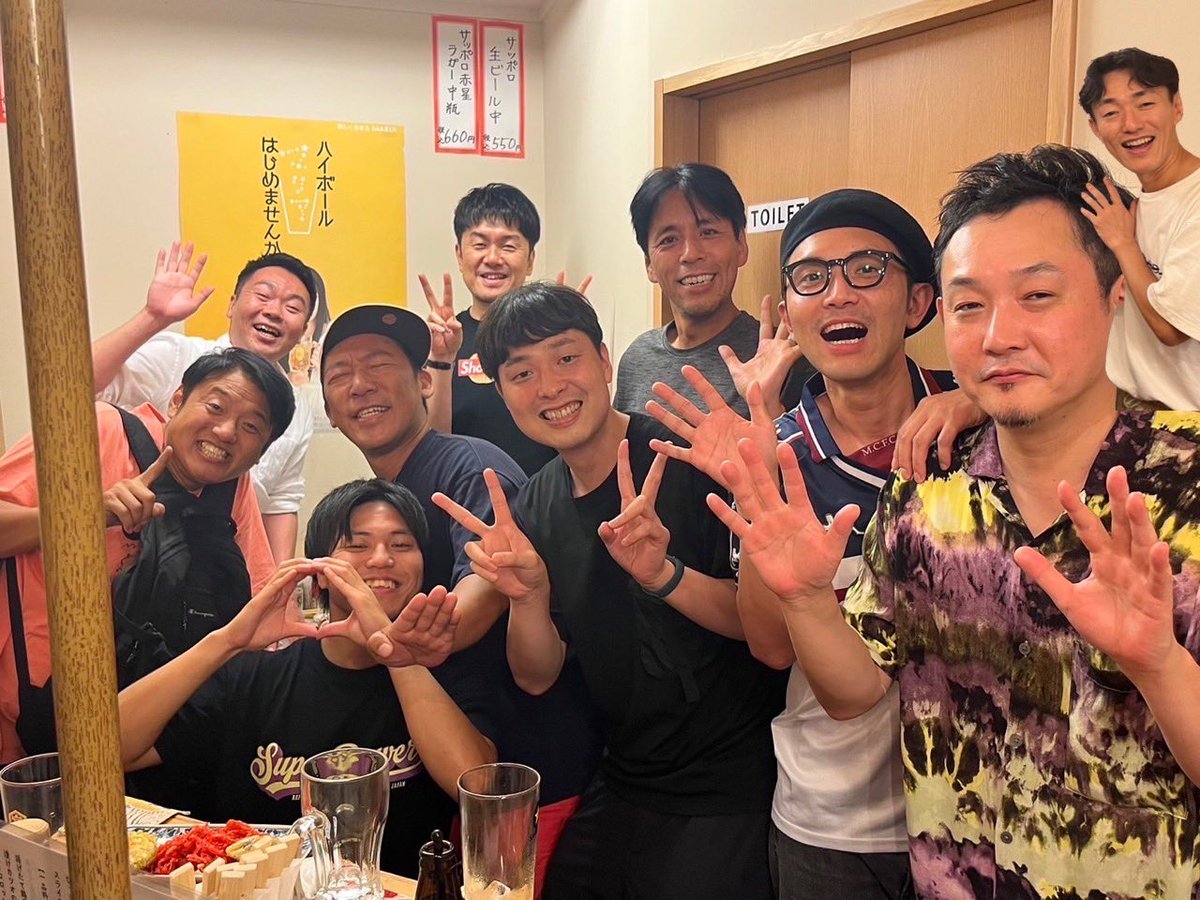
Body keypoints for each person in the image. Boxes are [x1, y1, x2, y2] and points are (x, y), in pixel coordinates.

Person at [710, 145, 1200, 898]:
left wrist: (1159, 666)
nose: (1000, 334)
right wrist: (804, 599)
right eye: (970, 305)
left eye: (1038, 295)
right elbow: (856, 692)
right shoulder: (926, 488)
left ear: (1113, 297)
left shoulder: (1185, 485)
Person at [647, 188, 951, 899]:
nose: (838, 293)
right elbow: (770, 647)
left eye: (867, 270)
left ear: (918, 302)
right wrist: (761, 490)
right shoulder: (775, 450)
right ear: (788, 313)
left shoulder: (977, 423)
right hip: (833, 822)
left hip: (978, 812)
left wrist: (974, 400)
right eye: (811, 278)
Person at [436, 282, 784, 899]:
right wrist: (527, 597)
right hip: (622, 774)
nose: (549, 387)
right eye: (522, 373)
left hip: (725, 782)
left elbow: (763, 630)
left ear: (604, 361)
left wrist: (664, 575)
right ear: (504, 394)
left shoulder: (685, 459)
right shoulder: (537, 502)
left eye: (566, 358)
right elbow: (537, 675)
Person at [319, 304, 602, 895]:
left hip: (525, 769)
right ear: (327, 407)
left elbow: (489, 581)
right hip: (459, 764)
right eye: (340, 374)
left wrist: (429, 635)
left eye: (379, 365)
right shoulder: (385, 495)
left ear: (425, 382)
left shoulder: (468, 465)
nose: (360, 384)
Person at [117, 478, 496, 876]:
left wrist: (395, 654)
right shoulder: (254, 677)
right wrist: (226, 641)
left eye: (402, 545)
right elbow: (108, 751)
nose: (382, 559)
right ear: (319, 573)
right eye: (357, 545)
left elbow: (479, 789)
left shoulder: (445, 671)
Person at [0, 348, 289, 763]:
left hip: (157, 726)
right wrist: (83, 515)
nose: (226, 431)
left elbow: (255, 608)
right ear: (177, 400)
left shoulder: (231, 485)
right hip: (39, 719)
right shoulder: (99, 428)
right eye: (215, 406)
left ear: (261, 452)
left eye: (251, 427)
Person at [93, 243, 320, 560]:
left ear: (304, 331)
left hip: (217, 565)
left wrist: (282, 581)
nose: (273, 312)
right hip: (129, 547)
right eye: (263, 296)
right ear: (232, 304)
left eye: (293, 308)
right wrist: (152, 317)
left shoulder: (295, 407)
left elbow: (281, 499)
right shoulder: (178, 356)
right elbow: (79, 388)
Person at [616, 162, 811, 418]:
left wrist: (767, 408)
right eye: (669, 240)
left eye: (708, 232)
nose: (691, 254)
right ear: (649, 265)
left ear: (741, 245)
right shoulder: (636, 359)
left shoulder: (783, 360)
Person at [1080, 47, 1200, 410]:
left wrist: (1123, 244)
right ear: (1095, 128)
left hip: (1186, 420)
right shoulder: (1127, 207)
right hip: (1127, 408)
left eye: (1145, 104)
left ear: (1176, 107)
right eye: (1111, 113)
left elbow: (1171, 329)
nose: (1131, 124)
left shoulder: (1193, 199)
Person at [420, 184, 563, 476]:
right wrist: (441, 360)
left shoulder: (554, 335)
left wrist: (569, 339)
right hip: (465, 498)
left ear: (530, 260)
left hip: (548, 499)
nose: (493, 258)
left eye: (508, 246)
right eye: (480, 245)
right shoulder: (441, 343)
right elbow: (433, 451)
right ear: (460, 255)